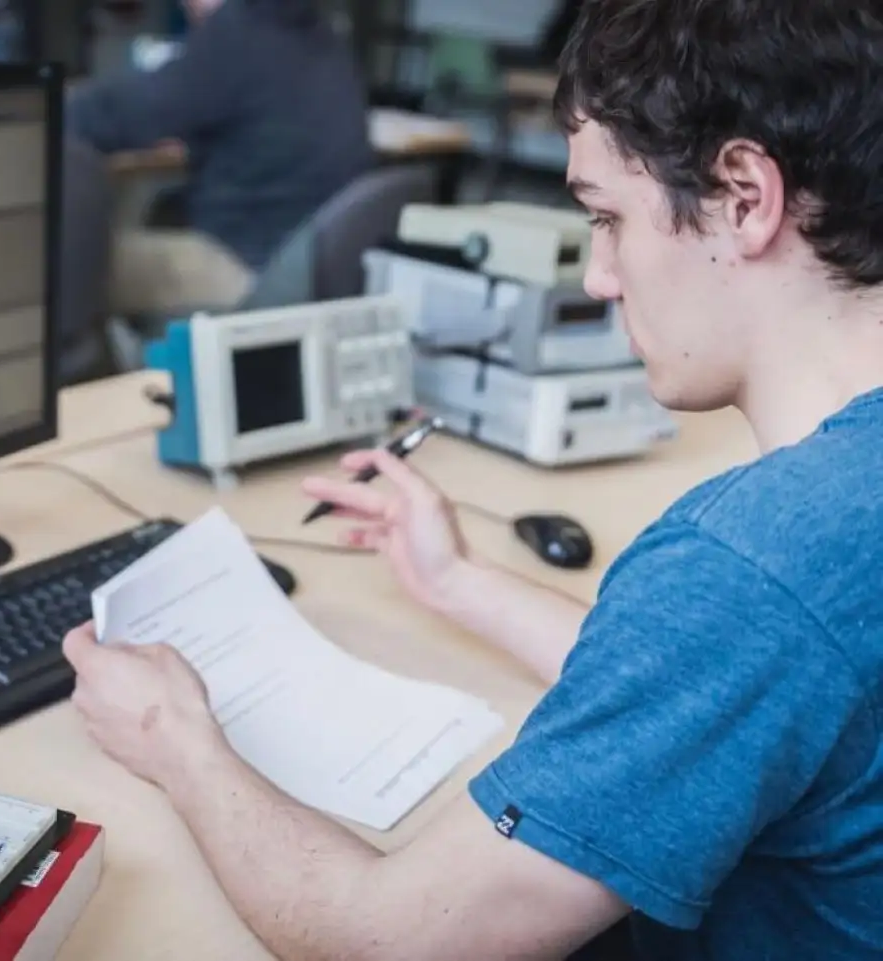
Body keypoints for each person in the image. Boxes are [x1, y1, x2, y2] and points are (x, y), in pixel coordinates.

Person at [63, 1, 883, 958]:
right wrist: (458, 581)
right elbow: (741, 684)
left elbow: (386, 940)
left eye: (608, 219)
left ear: (745, 195)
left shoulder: (748, 569)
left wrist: (177, 738)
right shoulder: (806, 547)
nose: (598, 277)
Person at [66, 0, 373, 317]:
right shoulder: (320, 32)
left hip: (249, 272)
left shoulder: (240, 30)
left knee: (66, 265)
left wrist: (42, 109)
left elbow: (120, 113)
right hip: (309, 268)